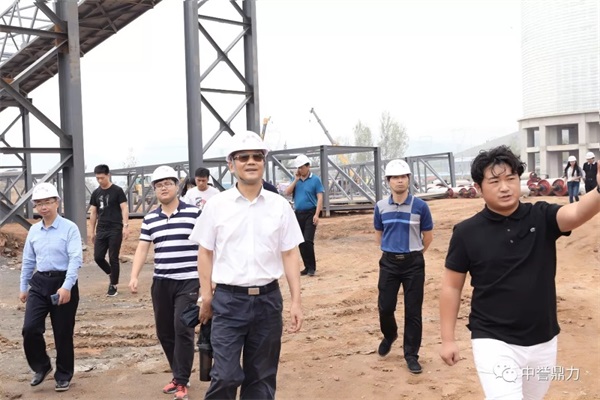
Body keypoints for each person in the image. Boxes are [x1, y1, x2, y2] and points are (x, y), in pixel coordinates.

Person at [439, 145, 600, 400]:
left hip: (543, 338)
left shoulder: (541, 216)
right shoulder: (466, 232)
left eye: (511, 178)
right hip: (493, 339)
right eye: (494, 181)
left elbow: (577, 212)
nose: (505, 187)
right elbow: (451, 286)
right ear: (479, 188)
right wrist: (447, 339)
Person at [189, 130, 303, 400]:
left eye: (257, 157)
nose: (251, 161)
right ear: (231, 165)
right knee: (225, 375)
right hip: (229, 302)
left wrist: (296, 301)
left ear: (263, 163)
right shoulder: (217, 206)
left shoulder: (279, 206)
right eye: (243, 157)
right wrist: (206, 296)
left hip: (268, 302)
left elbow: (290, 254)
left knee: (261, 379)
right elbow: (205, 253)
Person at [128, 165, 201, 400]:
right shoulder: (150, 219)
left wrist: (210, 279)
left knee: (183, 329)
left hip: (188, 281)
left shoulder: (195, 214)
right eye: (159, 185)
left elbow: (207, 246)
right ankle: (179, 374)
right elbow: (142, 248)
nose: (163, 188)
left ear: (177, 186)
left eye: (168, 183)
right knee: (164, 332)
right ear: (154, 189)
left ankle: (181, 381)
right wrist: (134, 276)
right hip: (161, 282)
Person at [20, 182, 82, 392]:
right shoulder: (34, 231)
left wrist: (67, 286)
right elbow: (28, 260)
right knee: (30, 328)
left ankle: (63, 374)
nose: (44, 207)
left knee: (62, 332)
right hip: (39, 282)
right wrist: (23, 286)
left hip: (63, 281)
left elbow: (75, 259)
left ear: (57, 202)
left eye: (47, 202)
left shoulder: (70, 228)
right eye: (39, 203)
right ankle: (42, 366)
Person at [373, 159, 434, 374]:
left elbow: (428, 236)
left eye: (403, 177)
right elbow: (379, 234)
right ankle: (390, 335)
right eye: (395, 177)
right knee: (385, 307)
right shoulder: (380, 206)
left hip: (413, 264)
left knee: (413, 311)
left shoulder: (421, 206)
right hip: (389, 263)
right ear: (388, 181)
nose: (399, 181)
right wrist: (391, 250)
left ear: (408, 179)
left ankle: (411, 355)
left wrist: (415, 254)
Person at [89, 164, 129, 296]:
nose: (100, 180)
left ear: (108, 175)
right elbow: (93, 212)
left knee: (113, 257)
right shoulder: (96, 193)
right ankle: (111, 273)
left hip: (115, 228)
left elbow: (124, 208)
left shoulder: (117, 190)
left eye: (102, 178)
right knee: (98, 257)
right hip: (101, 228)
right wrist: (91, 231)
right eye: (97, 178)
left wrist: (126, 226)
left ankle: (113, 284)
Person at [283, 154, 324, 276]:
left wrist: (317, 214)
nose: (300, 170)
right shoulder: (295, 179)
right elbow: (287, 192)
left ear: (308, 166)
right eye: (298, 168)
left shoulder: (315, 180)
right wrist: (295, 180)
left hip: (311, 213)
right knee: (300, 241)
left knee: (308, 240)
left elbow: (320, 197)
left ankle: (312, 267)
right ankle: (307, 266)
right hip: (298, 214)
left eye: (301, 167)